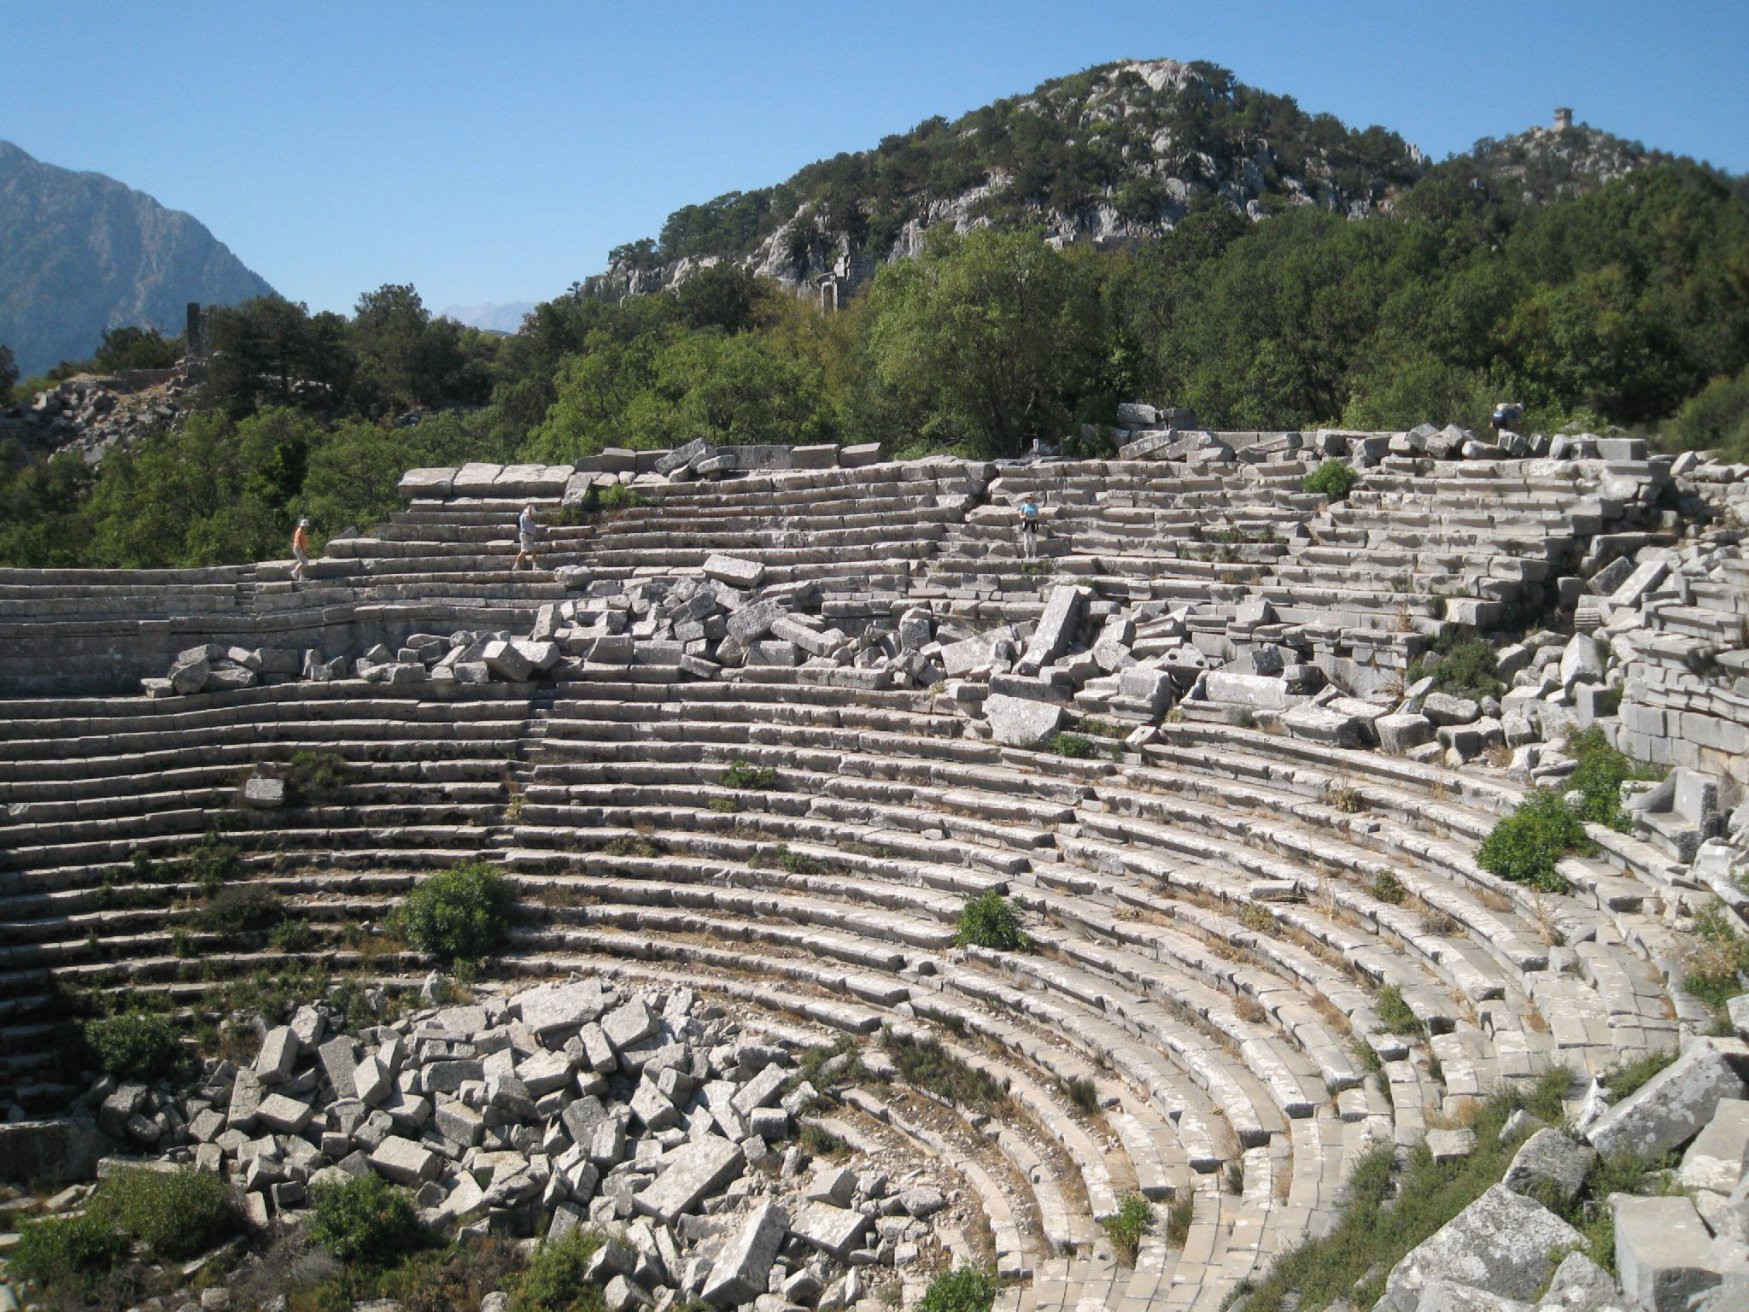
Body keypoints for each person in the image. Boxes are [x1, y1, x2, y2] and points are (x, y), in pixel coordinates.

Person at [514, 503, 540, 571]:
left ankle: (516, 566)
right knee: (532, 551)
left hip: (526, 535)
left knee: (523, 551)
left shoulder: (523, 516)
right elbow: (529, 513)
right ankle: (535, 567)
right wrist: (530, 507)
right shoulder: (525, 515)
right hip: (526, 535)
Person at [1018, 493, 1042, 561]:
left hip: (1033, 522)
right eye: (1028, 498)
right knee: (1026, 539)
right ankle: (1027, 554)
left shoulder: (1035, 506)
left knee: (1034, 539)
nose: (1029, 499)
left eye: (1030, 498)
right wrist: (1025, 516)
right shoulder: (1023, 506)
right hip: (1026, 523)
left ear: (1032, 499)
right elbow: (1020, 516)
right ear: (1026, 499)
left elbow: (1038, 515)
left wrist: (1033, 518)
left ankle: (1034, 554)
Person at [291, 518, 311, 582]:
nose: (306, 527)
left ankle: (301, 577)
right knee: (305, 562)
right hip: (299, 548)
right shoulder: (301, 532)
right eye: (306, 526)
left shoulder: (299, 530)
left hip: (297, 548)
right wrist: (304, 550)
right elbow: (301, 542)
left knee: (301, 562)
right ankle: (295, 571)